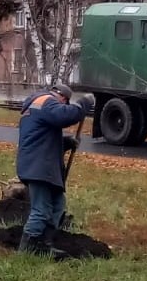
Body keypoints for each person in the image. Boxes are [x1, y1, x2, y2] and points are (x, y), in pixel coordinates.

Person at [16, 83, 95, 257]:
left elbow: (41, 138)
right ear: (62, 97)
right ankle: (27, 249)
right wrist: (83, 104)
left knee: (57, 205)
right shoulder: (46, 101)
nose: (64, 106)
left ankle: (45, 244)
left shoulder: (38, 106)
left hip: (41, 165)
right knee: (42, 209)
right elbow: (65, 116)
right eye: (65, 103)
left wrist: (66, 143)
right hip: (39, 167)